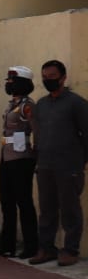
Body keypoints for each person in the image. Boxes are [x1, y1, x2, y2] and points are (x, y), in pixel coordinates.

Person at [29, 60, 88, 267]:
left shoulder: (77, 104)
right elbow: (38, 133)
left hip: (69, 166)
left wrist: (81, 162)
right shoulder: (42, 105)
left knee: (70, 209)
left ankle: (71, 250)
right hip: (45, 165)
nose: (48, 80)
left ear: (63, 78)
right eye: (44, 77)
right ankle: (46, 249)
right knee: (46, 210)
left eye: (52, 77)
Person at [0, 66, 38, 258]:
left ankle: (31, 246)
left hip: (22, 158)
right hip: (7, 156)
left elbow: (36, 131)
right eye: (8, 80)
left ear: (23, 84)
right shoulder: (11, 104)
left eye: (12, 80)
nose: (9, 83)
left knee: (23, 202)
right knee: (6, 202)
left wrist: (35, 156)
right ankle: (6, 245)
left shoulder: (27, 105)